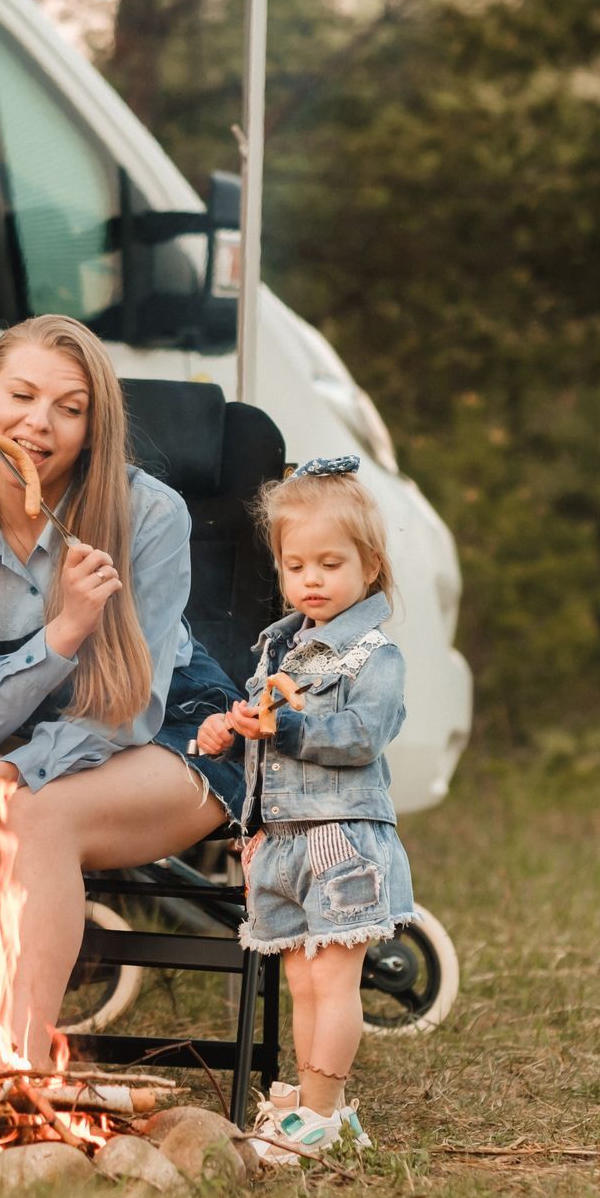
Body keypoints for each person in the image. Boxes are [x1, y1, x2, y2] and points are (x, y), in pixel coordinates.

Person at [0, 314, 246, 1062]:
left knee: (37, 815)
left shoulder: (148, 514)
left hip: (170, 733)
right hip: (10, 736)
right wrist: (63, 634)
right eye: (21, 395)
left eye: (70, 407)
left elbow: (135, 708)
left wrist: (10, 772)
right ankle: (8, 1053)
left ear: (94, 425)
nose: (39, 423)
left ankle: (10, 1070)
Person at [195, 456, 416, 1161]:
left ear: (369, 566)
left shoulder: (370, 658)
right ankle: (326, 1108)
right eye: (296, 566)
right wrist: (230, 740)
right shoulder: (278, 650)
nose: (311, 580)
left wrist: (284, 727)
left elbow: (359, 738)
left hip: (341, 840)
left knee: (332, 975)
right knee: (298, 976)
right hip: (283, 841)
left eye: (330, 563)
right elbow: (269, 751)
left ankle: (317, 1116)